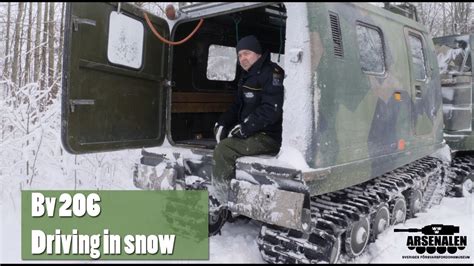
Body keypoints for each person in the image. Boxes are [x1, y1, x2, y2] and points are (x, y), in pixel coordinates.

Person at [211, 35, 285, 209]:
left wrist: (245, 128)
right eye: (239, 55)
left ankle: (222, 202)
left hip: (269, 136)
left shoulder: (272, 74)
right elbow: (238, 105)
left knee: (224, 149)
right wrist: (222, 123)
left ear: (258, 54)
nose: (243, 58)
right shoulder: (247, 76)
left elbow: (272, 109)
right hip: (254, 133)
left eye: (247, 53)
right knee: (222, 141)